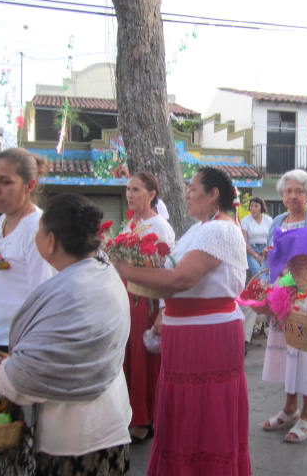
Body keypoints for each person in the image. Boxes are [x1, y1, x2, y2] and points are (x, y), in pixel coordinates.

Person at [0, 194, 132, 475]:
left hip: (73, 439)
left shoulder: (72, 291)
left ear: (50, 241)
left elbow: (26, 377)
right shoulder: (103, 271)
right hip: (108, 421)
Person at [113, 166, 251, 475]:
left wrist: (121, 267)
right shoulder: (199, 229)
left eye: (192, 187)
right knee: (184, 411)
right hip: (186, 332)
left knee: (205, 412)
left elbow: (180, 278)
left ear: (213, 194)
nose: (186, 193)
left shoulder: (221, 230)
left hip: (208, 334)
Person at [0, 148, 55, 466]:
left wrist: (25, 352)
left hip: (16, 346)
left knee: (22, 436)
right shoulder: (2, 223)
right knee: (2, 428)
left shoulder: (36, 229)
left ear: (30, 185)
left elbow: (41, 295)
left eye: (5, 181)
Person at [261, 169, 307, 443]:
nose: (292, 196)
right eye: (288, 191)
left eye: (299, 191)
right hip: (281, 296)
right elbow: (270, 258)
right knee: (287, 353)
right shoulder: (277, 220)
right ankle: (290, 407)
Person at [119, 172, 175, 443]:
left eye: (136, 189)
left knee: (144, 361)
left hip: (147, 302)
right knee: (127, 360)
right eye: (128, 189)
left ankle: (145, 418)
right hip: (126, 300)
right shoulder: (129, 224)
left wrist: (164, 310)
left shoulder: (159, 226)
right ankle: (131, 414)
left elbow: (168, 269)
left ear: (152, 194)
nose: (130, 194)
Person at [241, 197, 273, 279]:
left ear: (261, 207)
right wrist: (255, 255)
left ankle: (267, 291)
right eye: (251, 206)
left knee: (267, 272)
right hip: (251, 250)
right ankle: (260, 291)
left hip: (266, 250)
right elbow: (244, 242)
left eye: (256, 206)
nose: (253, 208)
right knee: (257, 271)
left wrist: (267, 250)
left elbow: (272, 238)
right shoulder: (245, 220)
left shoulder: (268, 220)